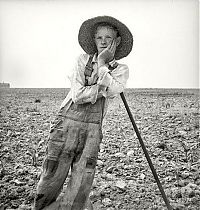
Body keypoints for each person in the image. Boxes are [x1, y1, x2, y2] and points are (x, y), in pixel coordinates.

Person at [33, 15, 133, 210]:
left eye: (109, 38)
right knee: (52, 176)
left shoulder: (121, 70)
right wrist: (101, 86)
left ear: (117, 41)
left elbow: (113, 90)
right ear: (94, 40)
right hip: (65, 127)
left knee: (82, 183)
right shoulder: (81, 61)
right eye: (99, 38)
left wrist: (103, 65)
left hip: (93, 131)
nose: (103, 42)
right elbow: (78, 96)